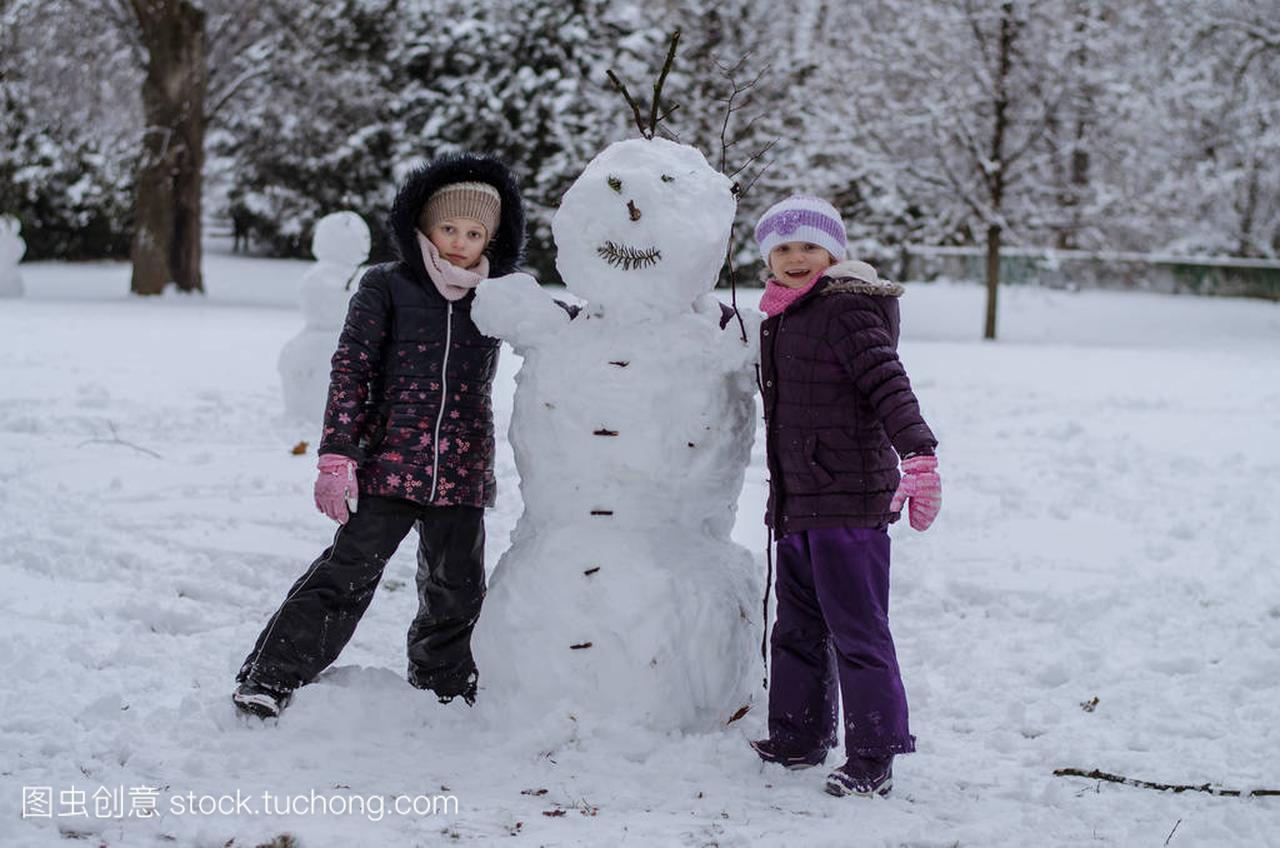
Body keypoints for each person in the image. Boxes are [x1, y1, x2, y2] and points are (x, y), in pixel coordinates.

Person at [232, 153, 526, 718]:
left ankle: (442, 687)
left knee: (457, 588)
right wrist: (337, 453)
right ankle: (270, 675)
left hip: (461, 470)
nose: (460, 242)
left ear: (491, 236)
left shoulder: (499, 296)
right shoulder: (387, 285)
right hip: (388, 462)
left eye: (474, 232)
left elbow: (554, 332)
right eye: (448, 228)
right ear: (423, 226)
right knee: (347, 574)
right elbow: (351, 368)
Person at [748, 195, 941, 797]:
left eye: (809, 246)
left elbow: (889, 382)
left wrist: (919, 454)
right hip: (800, 500)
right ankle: (799, 735)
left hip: (849, 501)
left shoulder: (845, 310)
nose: (796, 257)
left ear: (834, 252)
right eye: (782, 248)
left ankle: (875, 754)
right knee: (796, 627)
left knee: (858, 631)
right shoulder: (783, 315)